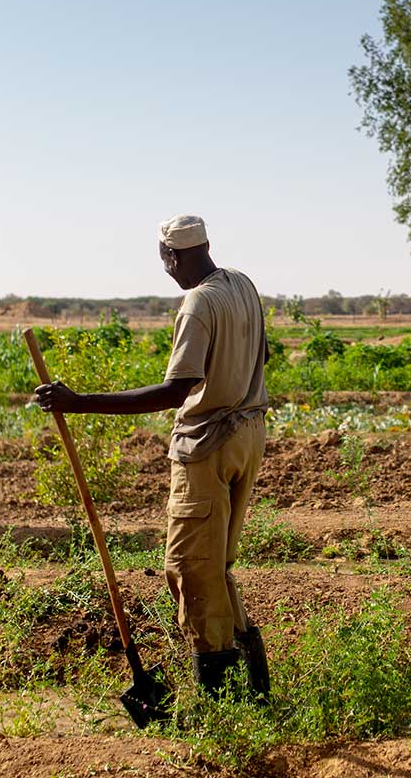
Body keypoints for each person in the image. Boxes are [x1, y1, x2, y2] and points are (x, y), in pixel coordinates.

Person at [33, 214, 272, 700]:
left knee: (189, 567)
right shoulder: (243, 286)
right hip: (249, 436)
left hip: (208, 444)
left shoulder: (199, 302)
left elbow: (175, 389)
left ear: (171, 255)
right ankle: (253, 686)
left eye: (165, 262)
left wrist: (80, 402)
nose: (167, 271)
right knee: (217, 565)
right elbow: (261, 358)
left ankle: (222, 694)